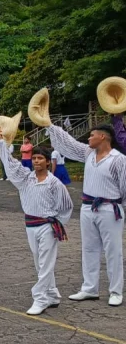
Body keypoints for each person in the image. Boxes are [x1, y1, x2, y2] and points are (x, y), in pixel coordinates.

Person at [46, 123, 126, 306]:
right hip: (87, 207)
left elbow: (125, 186)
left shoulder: (119, 159)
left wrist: (120, 207)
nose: (88, 138)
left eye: (92, 135)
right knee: (89, 249)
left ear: (103, 137)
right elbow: (68, 143)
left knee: (113, 250)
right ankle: (90, 288)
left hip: (109, 208)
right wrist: (50, 127)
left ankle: (115, 291)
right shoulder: (88, 153)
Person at [0, 136, 73, 315]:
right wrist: (1, 142)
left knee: (45, 263)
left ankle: (40, 298)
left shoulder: (54, 183)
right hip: (30, 224)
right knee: (40, 262)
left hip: (47, 225)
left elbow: (67, 206)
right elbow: (10, 164)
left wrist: (57, 224)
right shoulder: (25, 178)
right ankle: (52, 294)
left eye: (40, 158)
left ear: (47, 162)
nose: (37, 161)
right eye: (34, 158)